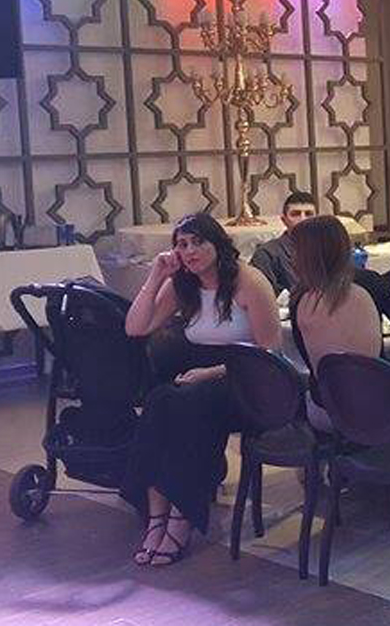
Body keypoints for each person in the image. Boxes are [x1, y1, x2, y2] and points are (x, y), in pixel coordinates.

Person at [121, 213, 281, 567]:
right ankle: (156, 519)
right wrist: (156, 276)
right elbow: (135, 327)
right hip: (200, 378)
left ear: (217, 244)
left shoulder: (249, 282)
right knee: (160, 400)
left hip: (245, 378)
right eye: (182, 244)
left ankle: (182, 518)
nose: (190, 251)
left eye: (198, 242)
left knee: (191, 405)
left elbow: (269, 351)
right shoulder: (184, 284)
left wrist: (212, 373)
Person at [285, 215, 383, 432]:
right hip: (375, 409)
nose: (291, 258)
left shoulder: (298, 299)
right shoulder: (367, 283)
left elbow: (309, 360)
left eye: (294, 252)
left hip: (324, 408)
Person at [248, 190, 318, 297]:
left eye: (309, 214)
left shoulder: (328, 250)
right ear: (284, 220)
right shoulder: (267, 254)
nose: (303, 219)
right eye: (295, 214)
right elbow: (264, 296)